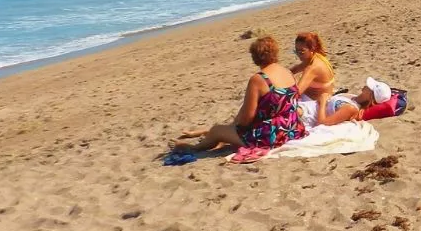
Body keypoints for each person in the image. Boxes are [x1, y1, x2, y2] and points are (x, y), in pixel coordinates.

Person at [170, 36, 305, 154]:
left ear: (255, 58)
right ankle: (219, 137)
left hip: (272, 135)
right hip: (293, 128)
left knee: (218, 130)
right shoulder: (287, 72)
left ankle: (194, 148)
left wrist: (235, 126)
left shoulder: (259, 79)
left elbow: (247, 119)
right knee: (229, 126)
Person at [317, 77, 400, 125]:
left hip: (310, 115)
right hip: (311, 107)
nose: (366, 85)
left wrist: (323, 102)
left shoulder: (350, 108)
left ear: (370, 96)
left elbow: (322, 123)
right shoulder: (353, 97)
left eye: (369, 87)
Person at [290, 31, 336, 106]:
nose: (298, 55)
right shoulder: (316, 57)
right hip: (317, 97)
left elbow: (295, 94)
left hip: (318, 103)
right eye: (296, 51)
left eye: (301, 52)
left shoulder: (312, 68)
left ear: (312, 49)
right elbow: (294, 70)